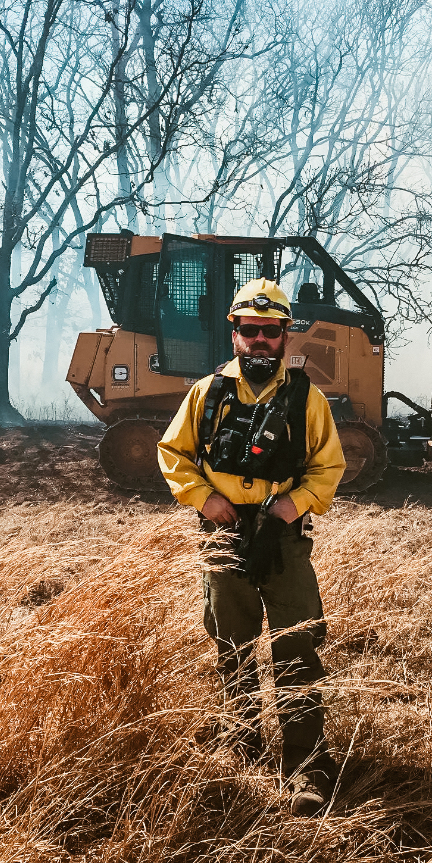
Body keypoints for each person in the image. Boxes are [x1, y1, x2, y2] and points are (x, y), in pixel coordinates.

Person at [158, 278, 346, 816]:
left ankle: (305, 768)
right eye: (249, 330)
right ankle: (240, 752)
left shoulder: (306, 398)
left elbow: (328, 466)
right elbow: (173, 453)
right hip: (223, 537)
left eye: (270, 331)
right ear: (234, 332)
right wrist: (206, 500)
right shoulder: (207, 393)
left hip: (284, 541)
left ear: (286, 334)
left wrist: (292, 507)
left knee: (297, 651)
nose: (259, 340)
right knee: (232, 650)